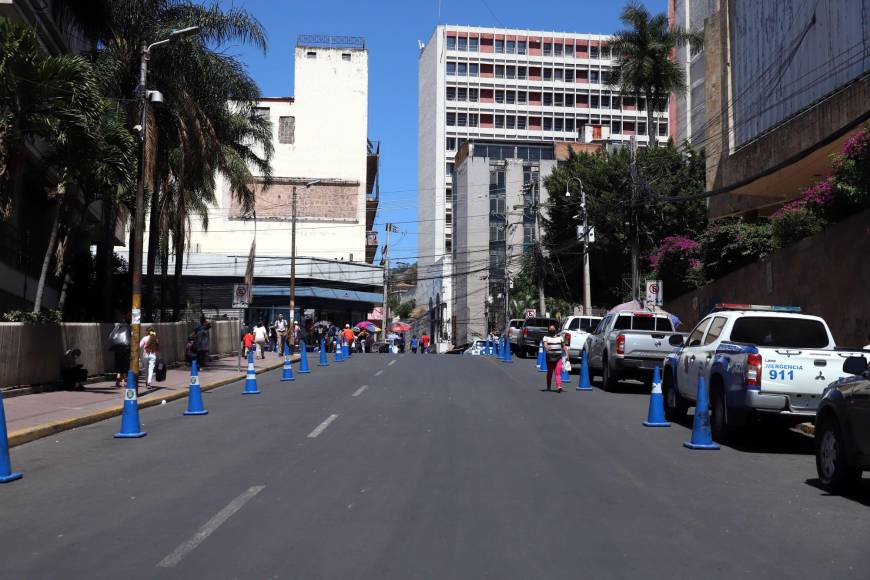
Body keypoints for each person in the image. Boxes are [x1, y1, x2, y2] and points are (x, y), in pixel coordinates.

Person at [108, 314, 131, 388]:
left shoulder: (117, 326)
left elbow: (111, 335)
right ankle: (123, 381)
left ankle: (118, 378)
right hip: (125, 348)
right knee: (125, 365)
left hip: (117, 347)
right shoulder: (129, 327)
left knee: (118, 363)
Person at [543, 325, 568, 392]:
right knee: (550, 372)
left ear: (555, 330)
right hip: (549, 357)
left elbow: (564, 347)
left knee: (558, 373)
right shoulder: (546, 337)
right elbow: (545, 344)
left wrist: (567, 355)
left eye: (553, 328)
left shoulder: (560, 338)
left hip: (558, 357)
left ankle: (559, 386)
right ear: (548, 330)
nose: (552, 330)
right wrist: (546, 347)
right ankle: (548, 387)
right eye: (550, 329)